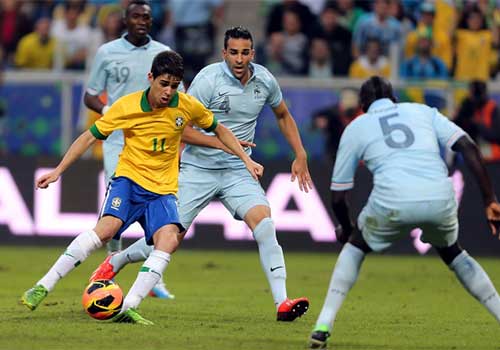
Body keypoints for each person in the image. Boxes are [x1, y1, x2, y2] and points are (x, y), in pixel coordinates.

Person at [20, 50, 263, 325]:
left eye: (173, 86)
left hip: (163, 190)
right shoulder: (127, 106)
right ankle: (43, 285)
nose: (168, 91)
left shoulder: (185, 105)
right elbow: (89, 138)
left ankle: (129, 306)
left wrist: (245, 159)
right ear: (151, 78)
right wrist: (58, 171)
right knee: (107, 230)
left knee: (169, 240)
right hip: (129, 182)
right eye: (163, 84)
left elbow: (219, 129)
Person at [90, 26, 312, 322]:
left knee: (265, 224)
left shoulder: (265, 81)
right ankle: (116, 260)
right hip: (198, 169)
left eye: (245, 52)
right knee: (169, 237)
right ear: (224, 53)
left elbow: (283, 115)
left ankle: (282, 303)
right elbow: (180, 129)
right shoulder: (207, 80)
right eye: (233, 52)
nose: (239, 58)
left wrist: (300, 154)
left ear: (253, 54)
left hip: (237, 169)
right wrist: (223, 144)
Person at [309, 76, 500, 348]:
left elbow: (339, 195)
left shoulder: (357, 126)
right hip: (440, 195)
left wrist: (347, 229)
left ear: (363, 106)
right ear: (395, 99)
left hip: (392, 199)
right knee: (453, 252)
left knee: (355, 248)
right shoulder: (422, 111)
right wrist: (489, 199)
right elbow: (468, 146)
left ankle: (323, 325)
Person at [83, 0, 175, 299]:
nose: (141, 21)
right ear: (125, 19)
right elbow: (90, 95)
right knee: (116, 210)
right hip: (118, 141)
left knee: (159, 214)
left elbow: (177, 97)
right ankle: (110, 268)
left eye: (146, 17)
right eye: (135, 16)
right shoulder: (107, 53)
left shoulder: (162, 54)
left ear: (152, 21)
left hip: (155, 145)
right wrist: (109, 109)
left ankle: (153, 275)